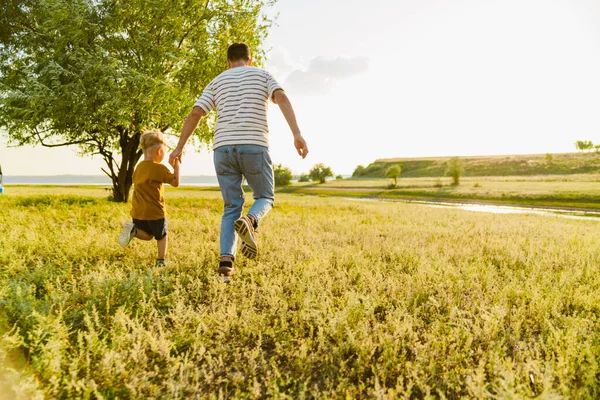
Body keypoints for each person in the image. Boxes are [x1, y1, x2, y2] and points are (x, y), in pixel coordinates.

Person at [169, 42, 308, 277]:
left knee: (231, 206)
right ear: (250, 60)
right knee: (265, 196)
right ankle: (251, 221)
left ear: (228, 62)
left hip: (222, 148)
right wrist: (296, 133)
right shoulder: (263, 75)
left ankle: (225, 264)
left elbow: (196, 113)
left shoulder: (217, 81)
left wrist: (178, 147)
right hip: (253, 144)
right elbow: (281, 97)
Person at [119, 131, 181, 267]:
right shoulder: (159, 168)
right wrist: (176, 166)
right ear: (160, 151)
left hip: (138, 211)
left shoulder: (138, 167)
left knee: (147, 235)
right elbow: (176, 182)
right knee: (162, 236)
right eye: (164, 152)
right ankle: (161, 260)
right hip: (155, 212)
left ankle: (133, 230)